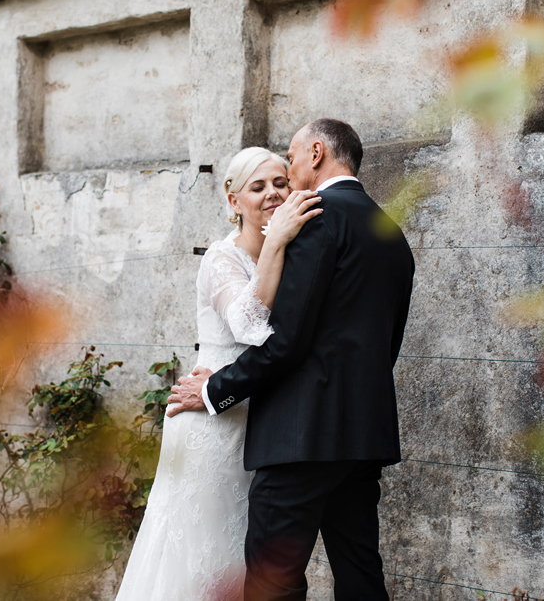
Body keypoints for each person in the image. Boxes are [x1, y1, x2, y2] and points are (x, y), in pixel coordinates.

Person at [168, 119, 415, 601]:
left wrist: (214, 388)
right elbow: (387, 343)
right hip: (365, 435)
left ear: (317, 153)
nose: (287, 176)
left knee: (272, 580)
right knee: (361, 572)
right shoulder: (392, 233)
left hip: (300, 438)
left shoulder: (315, 220)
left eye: (291, 158)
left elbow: (285, 342)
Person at [114, 147, 323, 601]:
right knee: (201, 558)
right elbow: (249, 325)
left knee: (244, 558)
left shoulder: (293, 251)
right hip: (209, 422)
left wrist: (280, 244)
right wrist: (275, 242)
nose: (272, 194)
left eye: (280, 183)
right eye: (257, 186)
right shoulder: (220, 258)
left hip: (260, 425)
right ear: (234, 202)